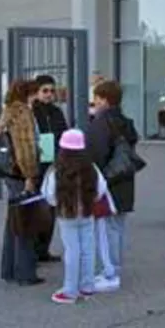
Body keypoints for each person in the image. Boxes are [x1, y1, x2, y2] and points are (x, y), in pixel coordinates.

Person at [40, 129, 110, 305]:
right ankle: (87, 286)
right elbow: (101, 188)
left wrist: (59, 203)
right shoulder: (91, 168)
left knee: (72, 250)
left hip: (67, 214)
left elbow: (48, 194)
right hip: (87, 212)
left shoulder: (56, 170)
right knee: (88, 248)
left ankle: (70, 290)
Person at [85, 80, 138, 291]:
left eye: (97, 98)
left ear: (105, 99)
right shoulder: (126, 122)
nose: (95, 102)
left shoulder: (101, 123)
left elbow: (95, 154)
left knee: (106, 230)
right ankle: (114, 268)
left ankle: (110, 272)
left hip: (106, 183)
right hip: (124, 181)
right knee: (118, 228)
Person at [0, 80, 43, 286]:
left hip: (8, 172)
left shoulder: (6, 112)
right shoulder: (23, 114)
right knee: (25, 221)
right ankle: (24, 272)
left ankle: (9, 269)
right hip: (21, 173)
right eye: (34, 93)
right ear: (27, 94)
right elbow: (26, 148)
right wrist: (31, 176)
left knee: (12, 221)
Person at [31, 74, 69, 262]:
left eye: (52, 91)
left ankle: (43, 249)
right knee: (37, 208)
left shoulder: (56, 112)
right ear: (37, 92)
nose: (49, 94)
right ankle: (33, 249)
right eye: (45, 91)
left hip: (54, 163)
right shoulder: (33, 112)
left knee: (51, 207)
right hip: (38, 164)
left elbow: (64, 133)